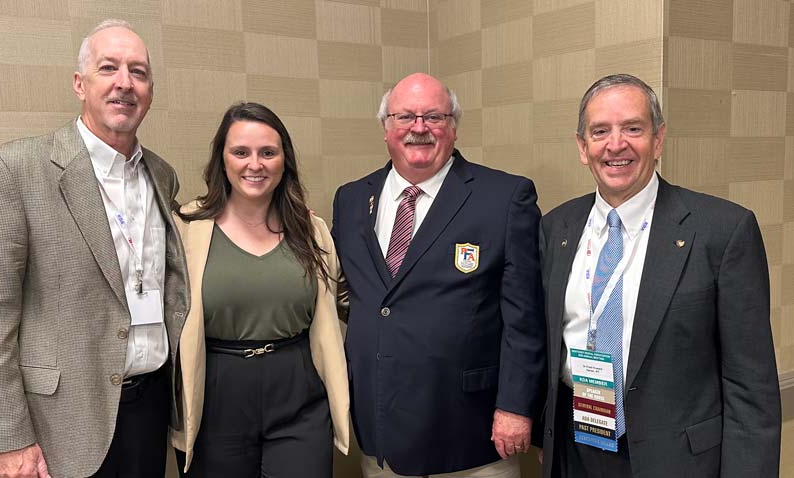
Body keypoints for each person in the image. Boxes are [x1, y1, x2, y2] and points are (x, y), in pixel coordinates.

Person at [0, 19, 189, 478]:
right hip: (60, 425)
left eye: (138, 72)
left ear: (150, 91)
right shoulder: (13, 171)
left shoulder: (161, 177)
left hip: (151, 408)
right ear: (80, 84)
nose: (124, 82)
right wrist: (9, 439)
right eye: (109, 68)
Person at [539, 73, 781, 477]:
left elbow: (750, 386)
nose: (616, 144)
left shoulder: (721, 230)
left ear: (659, 139)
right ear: (583, 147)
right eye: (600, 131)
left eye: (633, 128)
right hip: (576, 449)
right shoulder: (556, 228)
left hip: (678, 459)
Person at [331, 72, 545, 477]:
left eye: (434, 117)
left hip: (470, 431)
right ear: (385, 127)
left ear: (454, 126)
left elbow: (525, 318)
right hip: (381, 429)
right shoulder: (353, 199)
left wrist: (516, 407)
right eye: (405, 117)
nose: (419, 128)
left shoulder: (504, 198)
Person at [171, 101, 349, 478]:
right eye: (241, 152)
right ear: (222, 160)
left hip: (299, 393)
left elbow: (339, 300)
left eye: (268, 152)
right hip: (218, 394)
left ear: (284, 160)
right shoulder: (186, 228)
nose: (255, 164)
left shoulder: (311, 230)